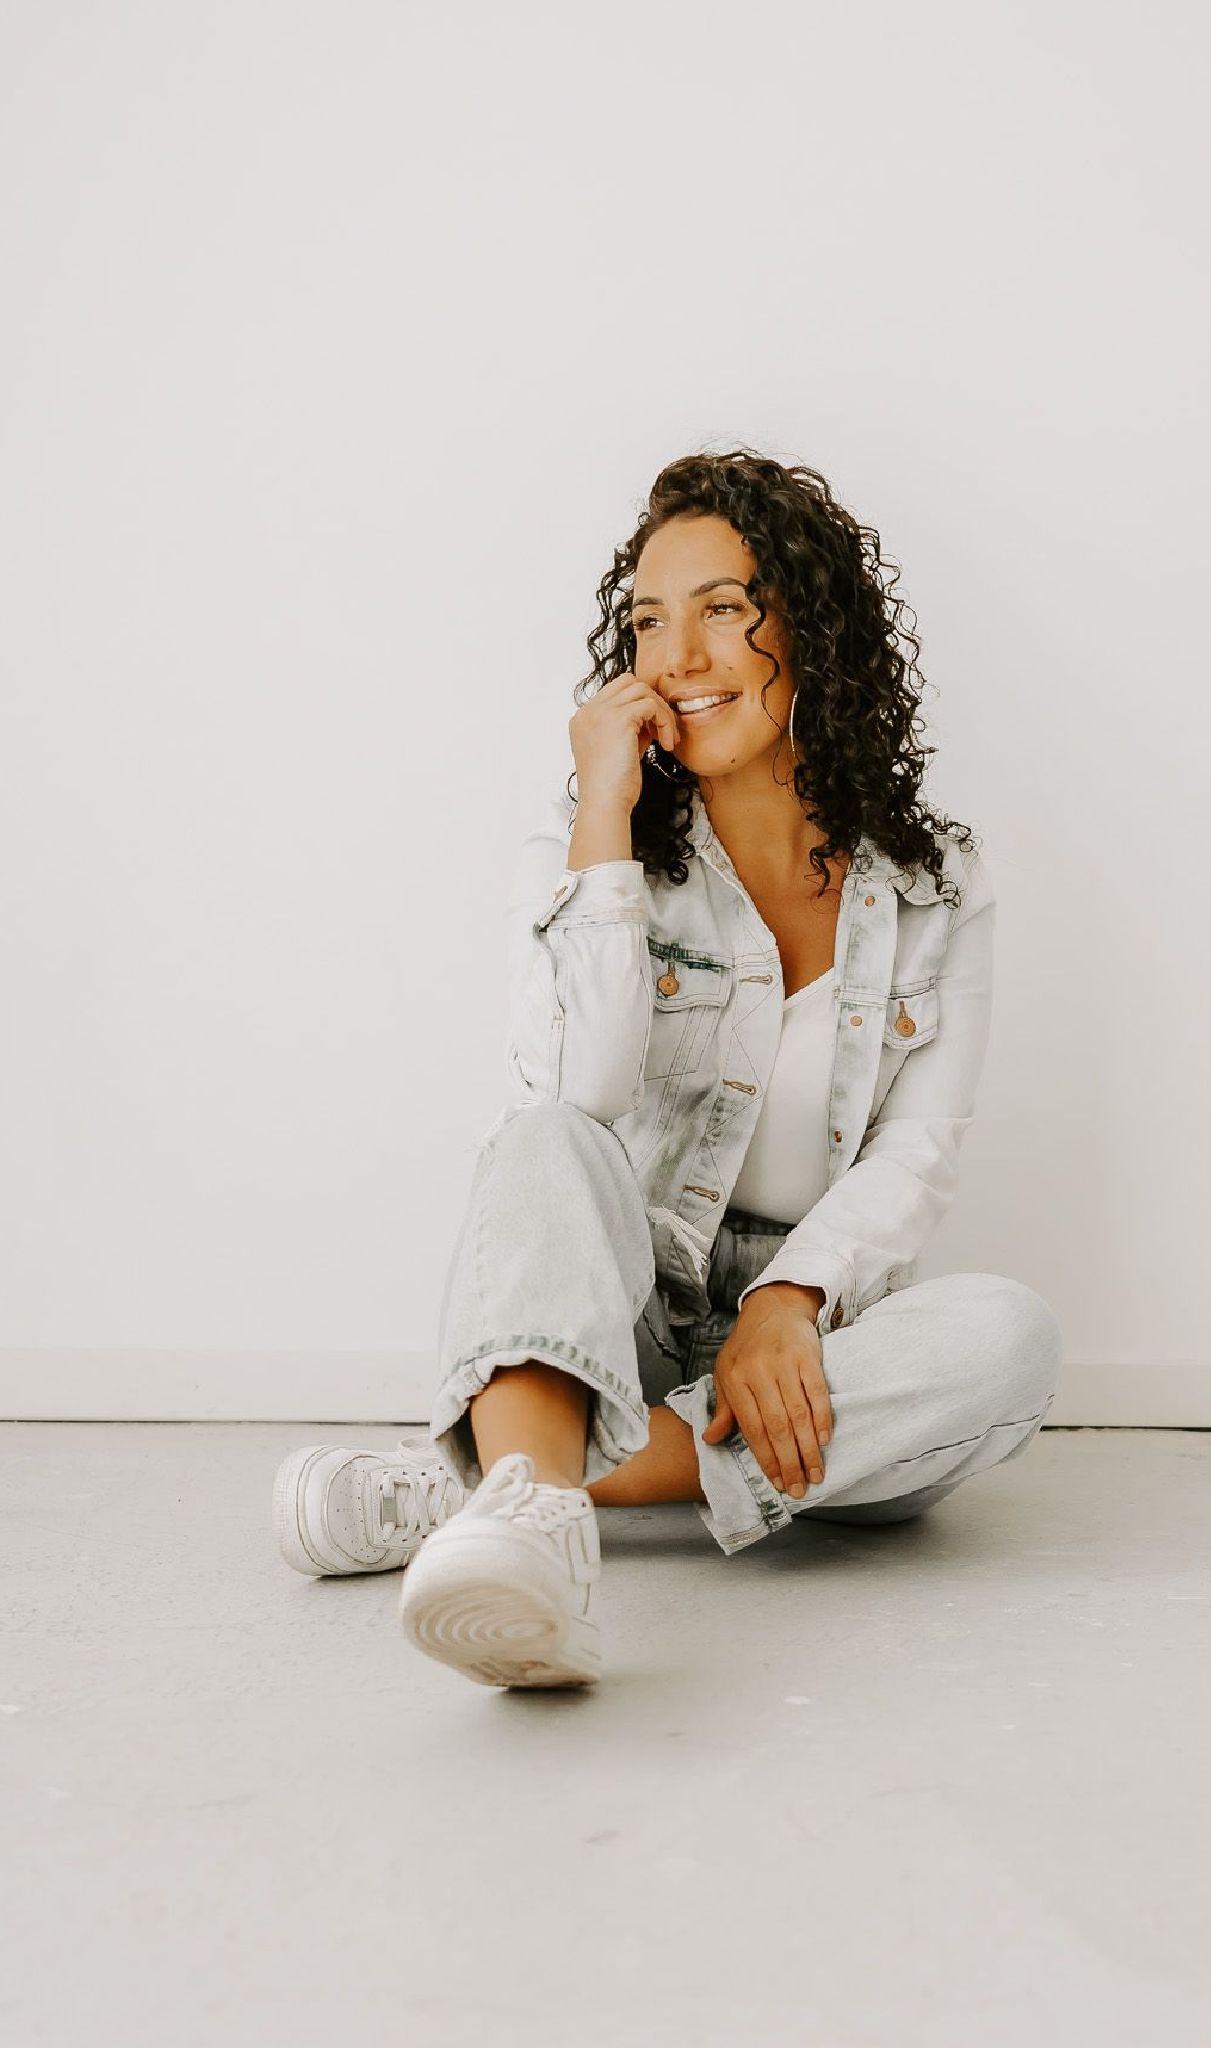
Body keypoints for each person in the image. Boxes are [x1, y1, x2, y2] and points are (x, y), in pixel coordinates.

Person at [272, 449, 1064, 1692]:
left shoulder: (936, 882)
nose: (677, 654)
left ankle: (497, 1489)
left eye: (722, 608)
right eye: (648, 619)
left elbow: (920, 1145)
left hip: (804, 1366)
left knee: (1009, 1336)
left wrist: (787, 1299)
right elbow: (575, 1103)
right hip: (617, 1309)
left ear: (815, 631)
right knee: (537, 1139)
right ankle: (537, 1515)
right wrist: (602, 816)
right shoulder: (585, 845)